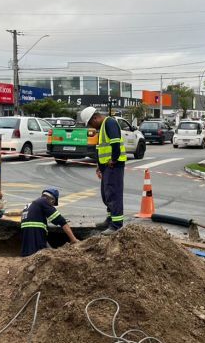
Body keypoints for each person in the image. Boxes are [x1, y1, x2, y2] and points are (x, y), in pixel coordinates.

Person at [80, 107, 126, 235]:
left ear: (95, 118)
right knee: (107, 194)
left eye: (90, 123)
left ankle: (116, 225)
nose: (91, 127)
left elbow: (115, 143)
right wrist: (99, 167)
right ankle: (110, 219)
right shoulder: (103, 127)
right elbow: (102, 149)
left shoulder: (109, 123)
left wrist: (114, 159)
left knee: (114, 194)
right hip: (107, 167)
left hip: (114, 166)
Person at [21, 188, 78, 257]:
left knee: (32, 254)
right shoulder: (44, 201)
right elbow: (62, 222)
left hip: (27, 236)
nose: (52, 206)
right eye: (53, 204)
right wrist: (74, 239)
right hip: (35, 233)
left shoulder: (31, 204)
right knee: (39, 254)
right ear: (52, 200)